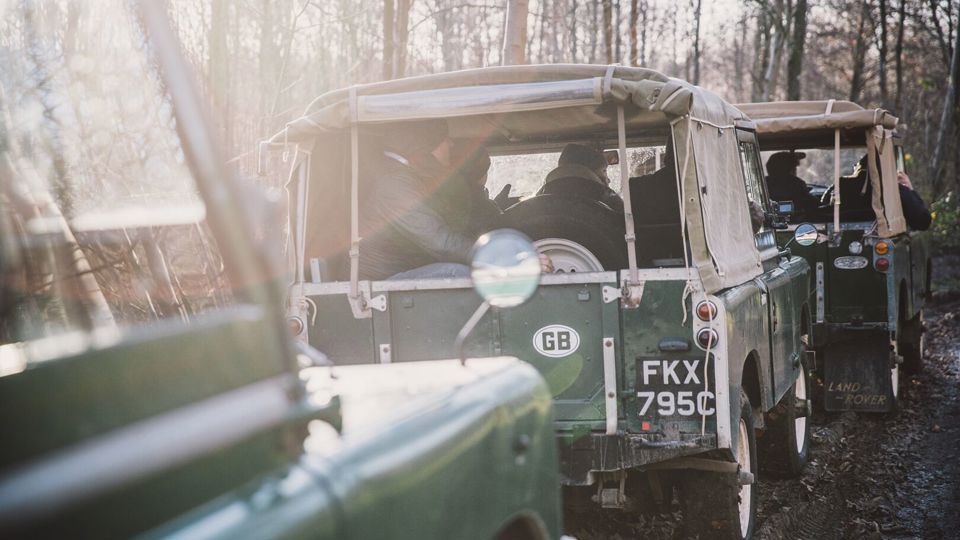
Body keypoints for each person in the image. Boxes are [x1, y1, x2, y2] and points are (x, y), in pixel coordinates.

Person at [359, 123, 551, 281]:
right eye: (444, 139)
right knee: (458, 275)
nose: (450, 144)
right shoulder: (395, 185)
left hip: (399, 272)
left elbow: (454, 234)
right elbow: (441, 242)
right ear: (426, 146)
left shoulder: (408, 178)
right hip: (382, 284)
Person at [838, 155, 932, 231]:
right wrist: (910, 189)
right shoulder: (892, 189)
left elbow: (825, 206)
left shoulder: (842, 185)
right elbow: (923, 221)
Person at [536, 143, 624, 213]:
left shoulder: (535, 204)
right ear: (589, 173)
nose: (608, 179)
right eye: (604, 171)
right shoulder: (611, 202)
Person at [764, 151, 820, 217]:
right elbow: (812, 203)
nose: (795, 170)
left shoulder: (763, 184)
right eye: (794, 167)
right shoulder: (797, 183)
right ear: (789, 168)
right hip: (797, 220)